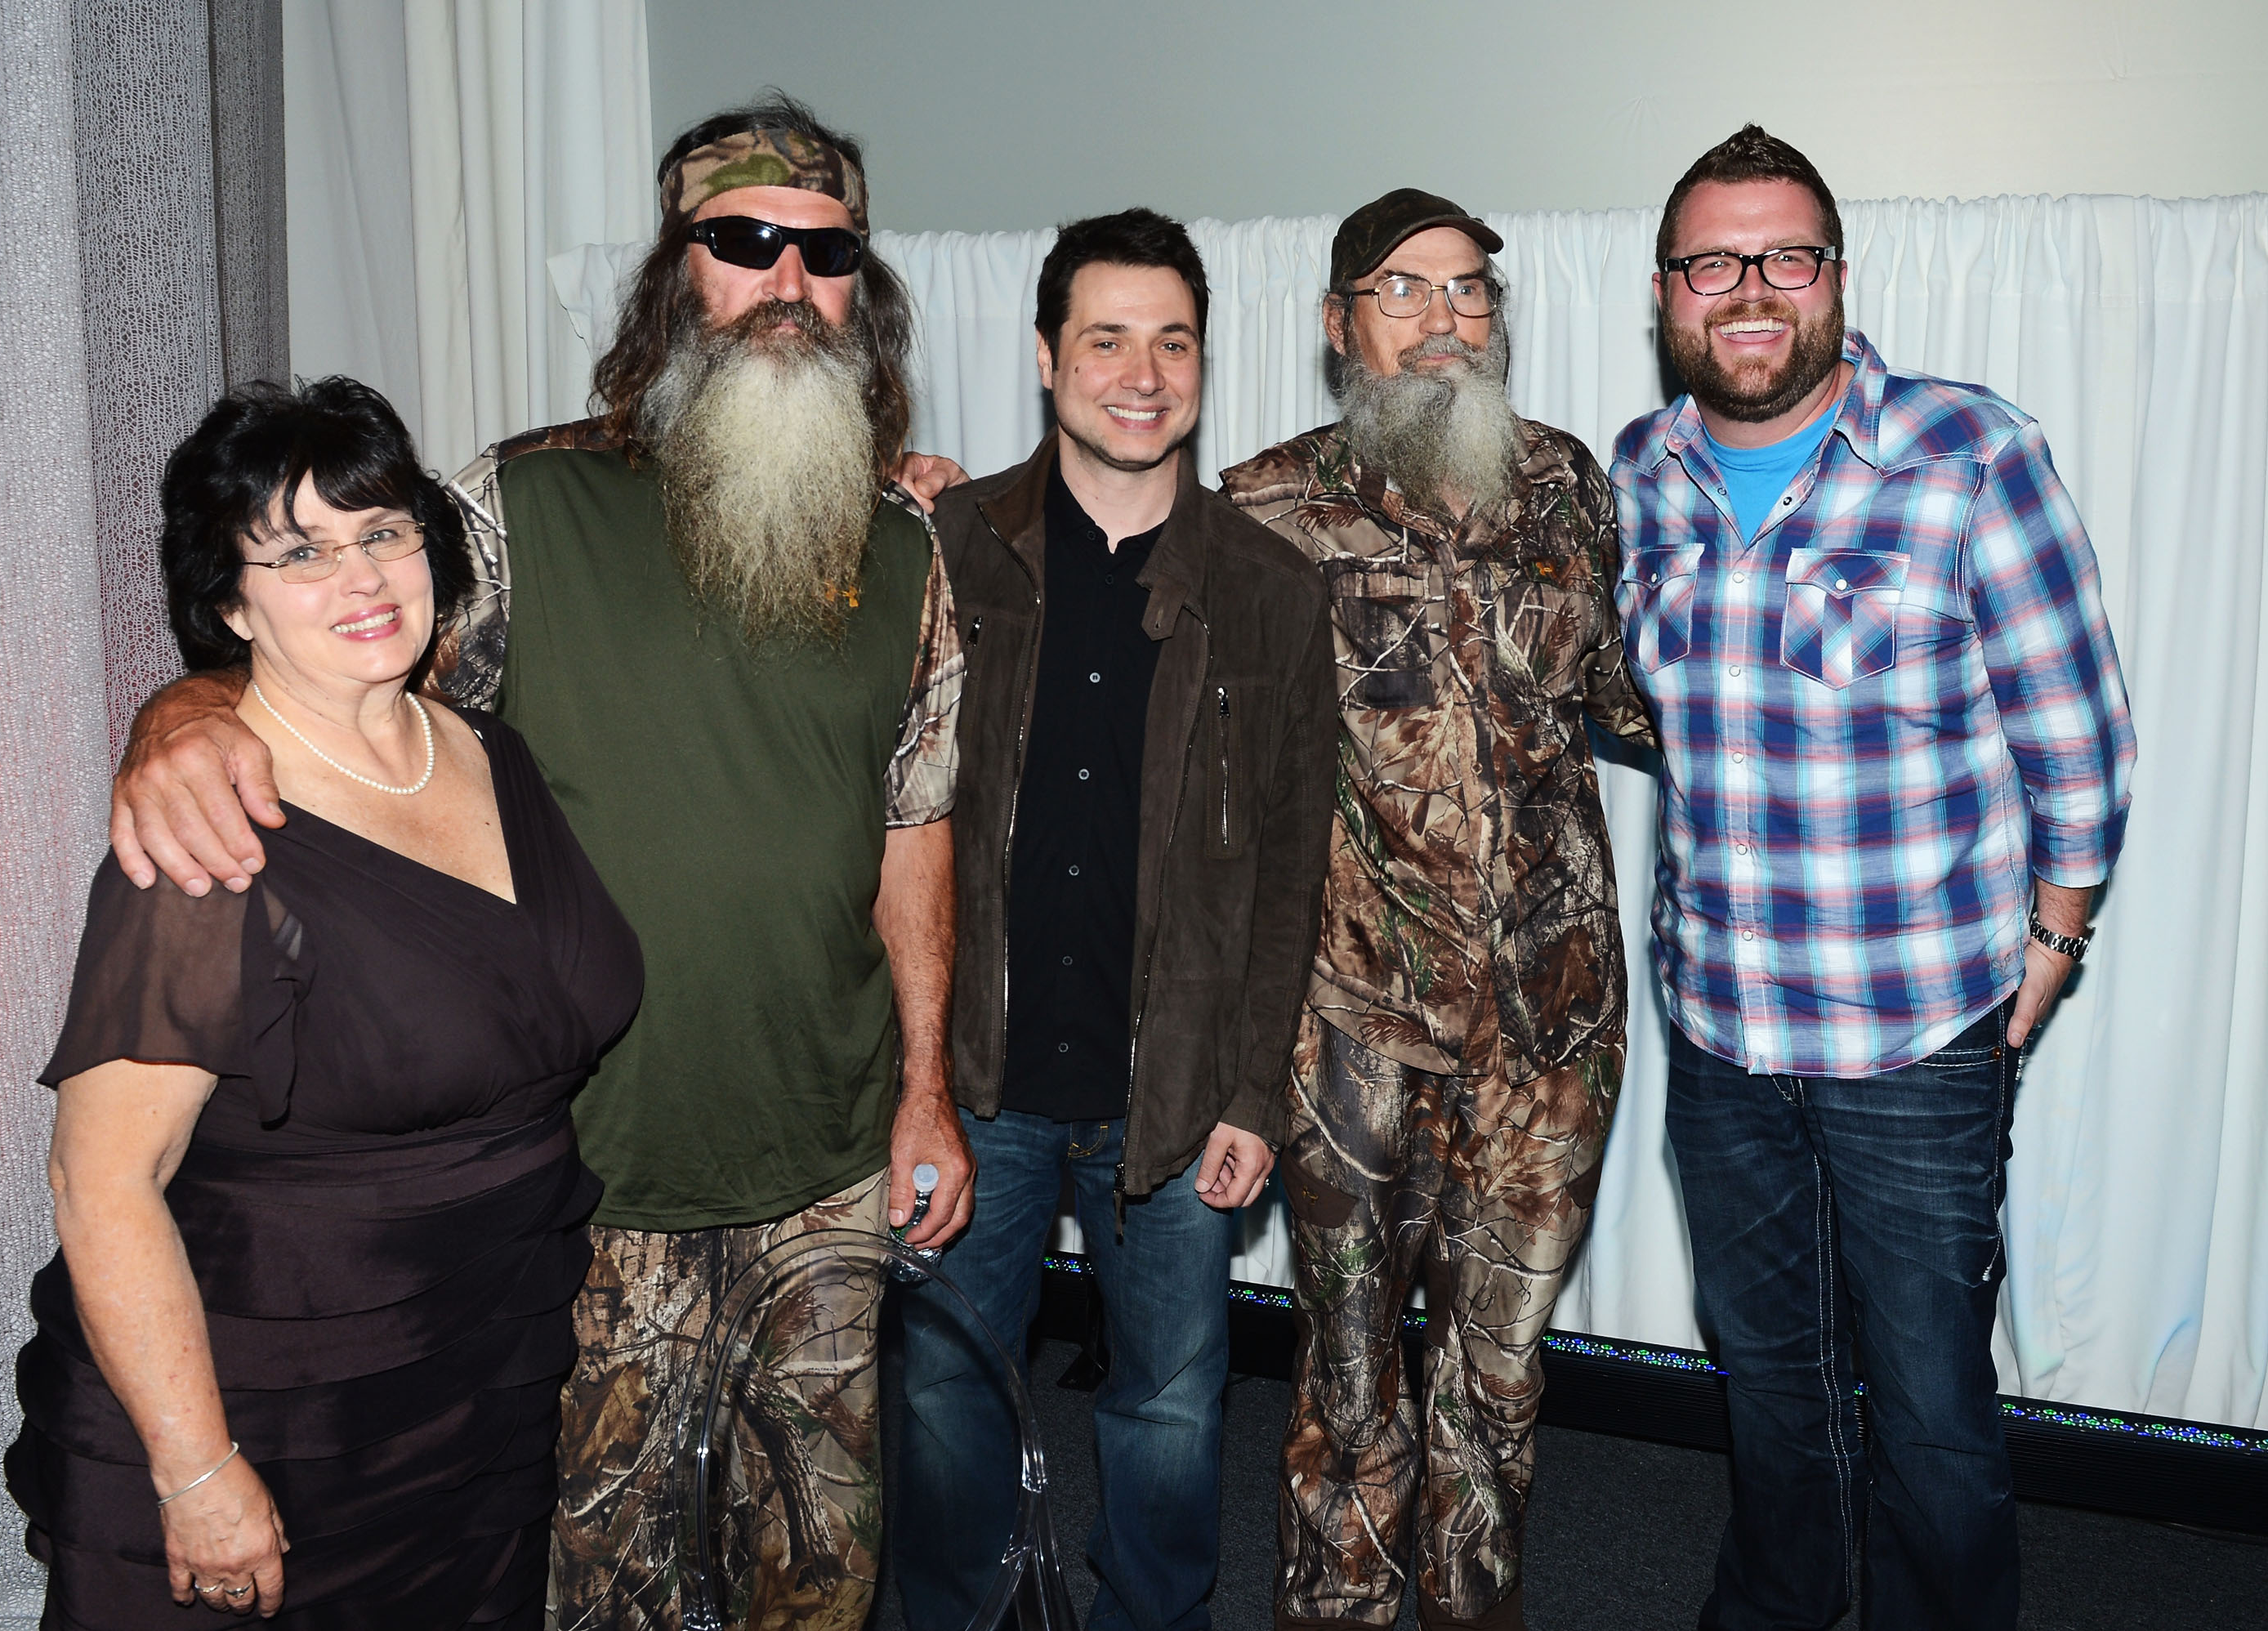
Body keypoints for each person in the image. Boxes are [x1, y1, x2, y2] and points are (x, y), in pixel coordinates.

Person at [106, 94, 971, 1631]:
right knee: (599, 1589)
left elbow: (915, 824)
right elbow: (343, 670)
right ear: (674, 278)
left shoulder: (906, 552)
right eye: (745, 242)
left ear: (863, 290)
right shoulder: (521, 506)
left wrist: (924, 1089)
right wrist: (178, 712)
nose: (788, 281)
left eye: (825, 254)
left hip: (830, 1175)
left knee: (822, 1582)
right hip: (588, 1176)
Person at [7, 378, 644, 1629]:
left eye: (382, 531)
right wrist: (198, 1474)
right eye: (298, 552)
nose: (359, 578)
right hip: (271, 1408)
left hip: (479, 1373)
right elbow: (102, 1181)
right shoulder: (208, 829)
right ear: (230, 600)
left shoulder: (484, 750)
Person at [1610, 127, 2135, 1629]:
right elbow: (1624, 701)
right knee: (1769, 1396)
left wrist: (2053, 942)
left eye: (1787, 257)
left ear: (1836, 277)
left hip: (1917, 1039)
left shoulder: (1972, 454)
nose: (1752, 290)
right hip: (1720, 1040)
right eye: (1716, 263)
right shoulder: (1639, 476)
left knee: (1930, 1412)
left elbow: (2079, 738)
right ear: (1669, 294)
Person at [1219, 190, 1654, 1631]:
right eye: (1403, 292)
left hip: (1554, 1020)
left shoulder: (1568, 483)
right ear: (1342, 323)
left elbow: (1626, 702)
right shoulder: (1264, 510)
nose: (1444, 320)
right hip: (1351, 1029)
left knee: (1502, 1380)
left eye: (1469, 292)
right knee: (1350, 1380)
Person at [900, 209, 1336, 1630]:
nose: (1141, 373)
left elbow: (1289, 867)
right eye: (1106, 338)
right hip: (975, 1090)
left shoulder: (1270, 592)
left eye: (1173, 341)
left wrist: (1257, 1093)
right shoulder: (949, 549)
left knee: (1169, 1411)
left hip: (1178, 1103)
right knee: (944, 1394)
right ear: (1045, 358)